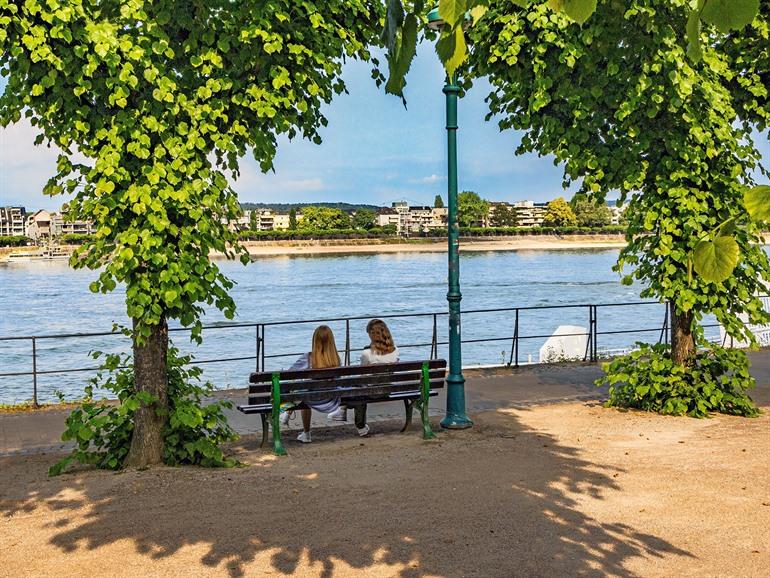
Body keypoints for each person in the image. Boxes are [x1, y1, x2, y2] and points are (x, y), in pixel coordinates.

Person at [327, 319, 400, 435]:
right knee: (358, 388)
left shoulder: (366, 353)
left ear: (372, 334)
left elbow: (363, 376)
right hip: (387, 389)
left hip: (371, 391)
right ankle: (346, 414)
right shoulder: (396, 350)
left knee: (356, 390)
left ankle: (349, 415)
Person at [283, 325, 342, 443]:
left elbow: (289, 374)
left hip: (313, 399)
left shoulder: (308, 357)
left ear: (315, 340)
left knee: (297, 390)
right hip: (331, 398)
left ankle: (301, 428)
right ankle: (288, 416)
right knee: (306, 390)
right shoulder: (336, 359)